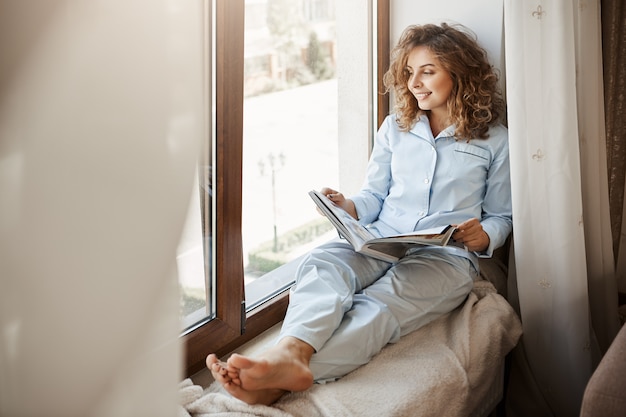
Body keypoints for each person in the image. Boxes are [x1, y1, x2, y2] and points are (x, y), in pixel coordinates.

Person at [207, 22, 512, 406]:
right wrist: (347, 206)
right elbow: (374, 195)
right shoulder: (395, 128)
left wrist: (481, 235)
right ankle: (290, 351)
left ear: (461, 73)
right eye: (409, 72)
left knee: (379, 306)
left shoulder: (494, 140)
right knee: (322, 263)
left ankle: (285, 377)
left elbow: (502, 216)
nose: (415, 82)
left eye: (428, 71)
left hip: (445, 257)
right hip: (381, 238)